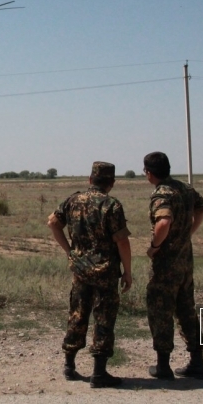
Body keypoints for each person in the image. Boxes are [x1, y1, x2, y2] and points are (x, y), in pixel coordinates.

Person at [47, 162, 133, 388]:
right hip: (105, 271)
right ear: (111, 183)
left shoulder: (73, 200)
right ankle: (99, 372)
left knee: (77, 314)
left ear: (89, 180)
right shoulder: (112, 205)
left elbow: (53, 223)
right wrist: (128, 272)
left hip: (80, 270)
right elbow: (122, 241)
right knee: (104, 319)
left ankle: (69, 365)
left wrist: (69, 251)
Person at [143, 151, 203, 380]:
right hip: (185, 263)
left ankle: (163, 366)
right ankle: (197, 361)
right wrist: (188, 233)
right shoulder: (185, 189)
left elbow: (163, 221)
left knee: (160, 311)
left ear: (149, 173)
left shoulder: (162, 193)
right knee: (187, 310)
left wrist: (154, 246)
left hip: (166, 265)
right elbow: (201, 208)